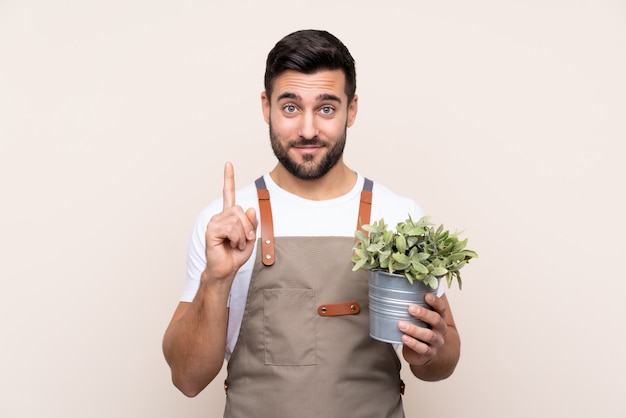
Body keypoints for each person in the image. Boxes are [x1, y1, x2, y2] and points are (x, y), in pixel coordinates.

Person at [162, 29, 460, 417]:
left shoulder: (398, 217)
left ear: (351, 109)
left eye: (326, 108)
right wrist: (215, 280)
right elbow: (187, 379)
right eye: (290, 108)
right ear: (266, 106)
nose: (307, 130)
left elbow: (442, 361)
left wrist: (432, 349)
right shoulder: (225, 225)